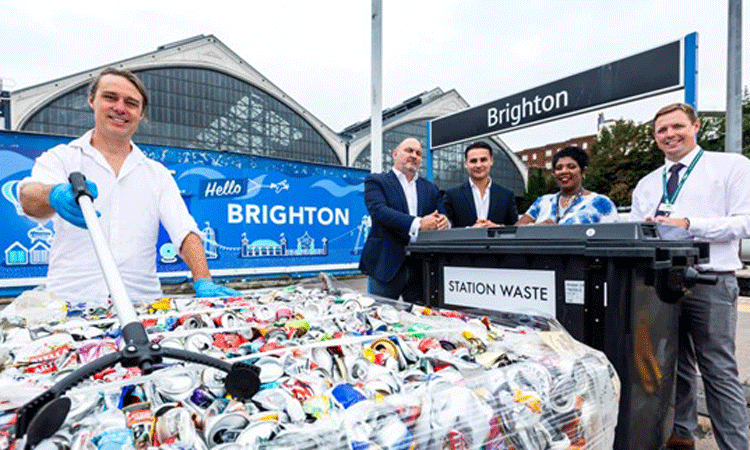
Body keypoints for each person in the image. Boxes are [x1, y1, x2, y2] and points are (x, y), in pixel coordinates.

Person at [18, 67, 239, 304]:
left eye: (131, 103)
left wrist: (203, 279)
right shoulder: (62, 158)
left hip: (142, 305)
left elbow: (185, 231)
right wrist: (53, 195)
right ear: (92, 100)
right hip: (70, 303)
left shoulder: (156, 174)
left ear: (141, 114)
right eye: (110, 97)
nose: (120, 108)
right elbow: (29, 197)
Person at [630, 103, 750, 450]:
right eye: (662, 130)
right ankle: (682, 434)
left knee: (717, 369)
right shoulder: (648, 183)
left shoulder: (730, 167)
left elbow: (745, 221)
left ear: (696, 126)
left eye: (677, 126)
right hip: (661, 283)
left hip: (710, 279)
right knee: (672, 364)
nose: (670, 134)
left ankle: (735, 445)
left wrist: (689, 224)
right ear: (655, 138)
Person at [358, 137, 449, 303]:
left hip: (421, 268)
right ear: (395, 154)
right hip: (385, 265)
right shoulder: (377, 181)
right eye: (409, 150)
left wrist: (444, 221)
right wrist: (419, 223)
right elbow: (380, 212)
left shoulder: (430, 188)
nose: (414, 155)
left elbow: (442, 214)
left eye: (418, 153)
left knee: (420, 320)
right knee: (379, 318)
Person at [516, 146, 619, 225]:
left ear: (583, 171)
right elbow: (515, 231)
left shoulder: (601, 203)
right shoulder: (542, 202)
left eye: (571, 166)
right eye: (559, 168)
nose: (564, 171)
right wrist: (537, 228)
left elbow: (614, 240)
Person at [444, 141, 518, 228]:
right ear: (466, 164)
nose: (478, 165)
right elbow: (447, 229)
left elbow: (514, 229)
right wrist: (471, 231)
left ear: (491, 161)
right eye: (473, 161)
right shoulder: (452, 195)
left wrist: (497, 228)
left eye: (483, 160)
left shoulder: (506, 195)